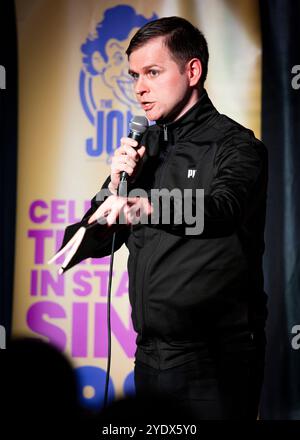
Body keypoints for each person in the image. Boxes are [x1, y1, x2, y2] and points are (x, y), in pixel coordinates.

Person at [61, 16, 268, 420]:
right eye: (135, 75)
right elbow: (82, 244)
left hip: (215, 360)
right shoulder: (143, 150)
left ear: (192, 71)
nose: (139, 87)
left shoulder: (236, 145)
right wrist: (118, 185)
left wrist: (144, 205)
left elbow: (222, 211)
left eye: (153, 72)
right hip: (150, 355)